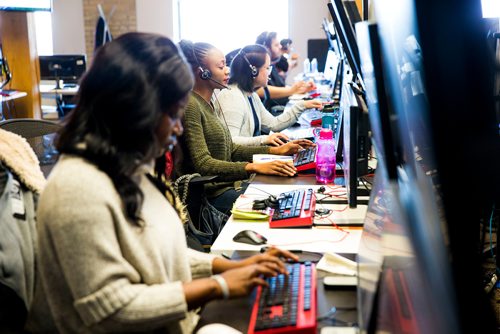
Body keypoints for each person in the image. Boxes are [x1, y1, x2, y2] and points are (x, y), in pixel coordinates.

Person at [26, 32, 299, 334]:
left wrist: (232, 267)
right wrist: (217, 286)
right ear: (133, 112)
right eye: (171, 115)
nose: (178, 127)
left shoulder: (129, 166)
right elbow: (110, 308)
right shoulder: (76, 189)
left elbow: (159, 252)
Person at [177, 40, 315, 215]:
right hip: (211, 196)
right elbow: (204, 163)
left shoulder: (210, 101)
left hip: (227, 187)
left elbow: (231, 149)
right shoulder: (191, 106)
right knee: (280, 206)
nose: (227, 70)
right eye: (221, 67)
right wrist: (252, 166)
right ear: (202, 73)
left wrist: (276, 151)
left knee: (290, 194)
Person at [217, 44, 323, 146]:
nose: (269, 73)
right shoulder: (231, 97)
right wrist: (265, 139)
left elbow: (273, 124)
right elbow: (231, 141)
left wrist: (303, 105)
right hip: (241, 163)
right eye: (267, 68)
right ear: (253, 71)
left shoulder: (250, 94)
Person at [255, 31, 316, 109]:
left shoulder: (272, 64)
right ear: (266, 48)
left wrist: (300, 89)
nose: (280, 47)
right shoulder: (260, 67)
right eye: (276, 45)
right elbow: (259, 90)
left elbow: (280, 86)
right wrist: (291, 90)